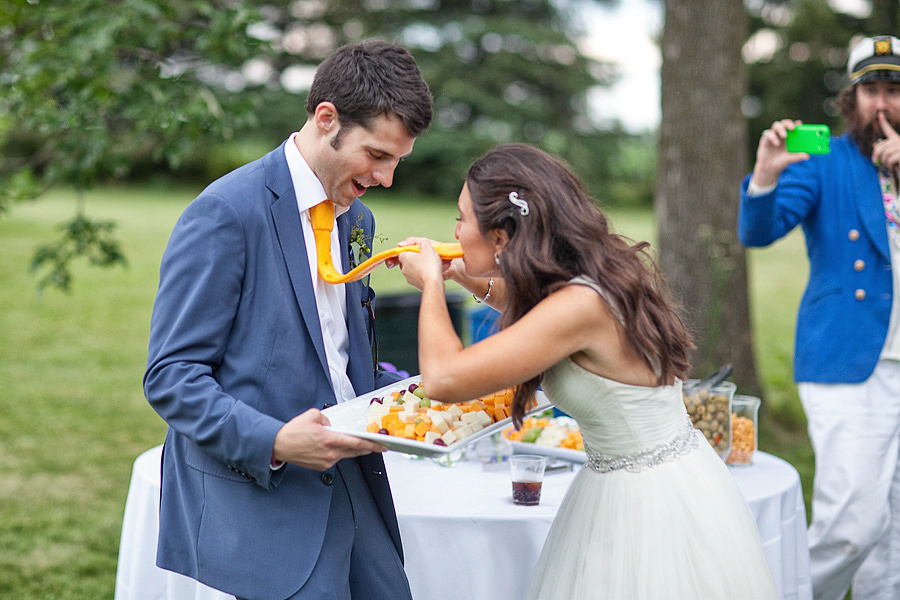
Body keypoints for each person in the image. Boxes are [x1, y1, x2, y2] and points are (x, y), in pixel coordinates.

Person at [394, 143, 778, 599]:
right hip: (641, 480)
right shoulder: (584, 278)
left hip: (649, 507)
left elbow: (444, 379)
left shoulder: (580, 304)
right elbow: (532, 313)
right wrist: (464, 276)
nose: (454, 229)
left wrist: (433, 285)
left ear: (501, 236)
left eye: (462, 218)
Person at [143, 40, 432, 600]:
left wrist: (416, 398)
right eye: (377, 155)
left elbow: (337, 354)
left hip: (356, 486)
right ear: (327, 119)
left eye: (397, 160)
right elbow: (171, 377)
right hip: (267, 496)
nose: (387, 177)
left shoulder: (358, 218)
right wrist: (275, 440)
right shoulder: (226, 212)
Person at [739, 35, 900, 600]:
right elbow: (759, 231)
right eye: (870, 90)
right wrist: (764, 177)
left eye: (894, 90)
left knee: (894, 534)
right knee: (851, 528)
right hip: (846, 361)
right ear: (850, 99)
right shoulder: (825, 160)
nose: (882, 104)